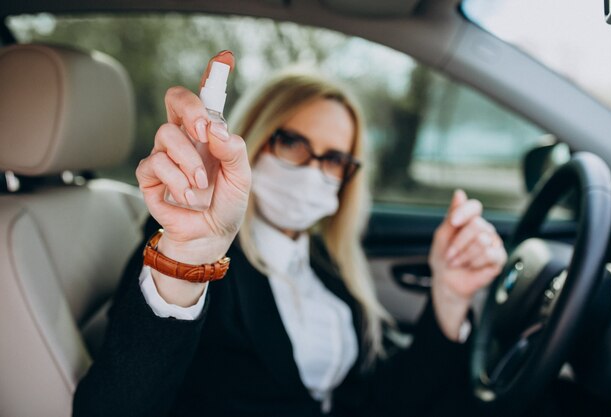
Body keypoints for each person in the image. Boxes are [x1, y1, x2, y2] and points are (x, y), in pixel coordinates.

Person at [73, 51, 506, 417]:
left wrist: (450, 296)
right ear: (258, 138)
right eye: (295, 144)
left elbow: (372, 397)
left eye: (335, 159)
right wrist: (188, 257)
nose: (315, 171)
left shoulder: (323, 261)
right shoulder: (191, 249)